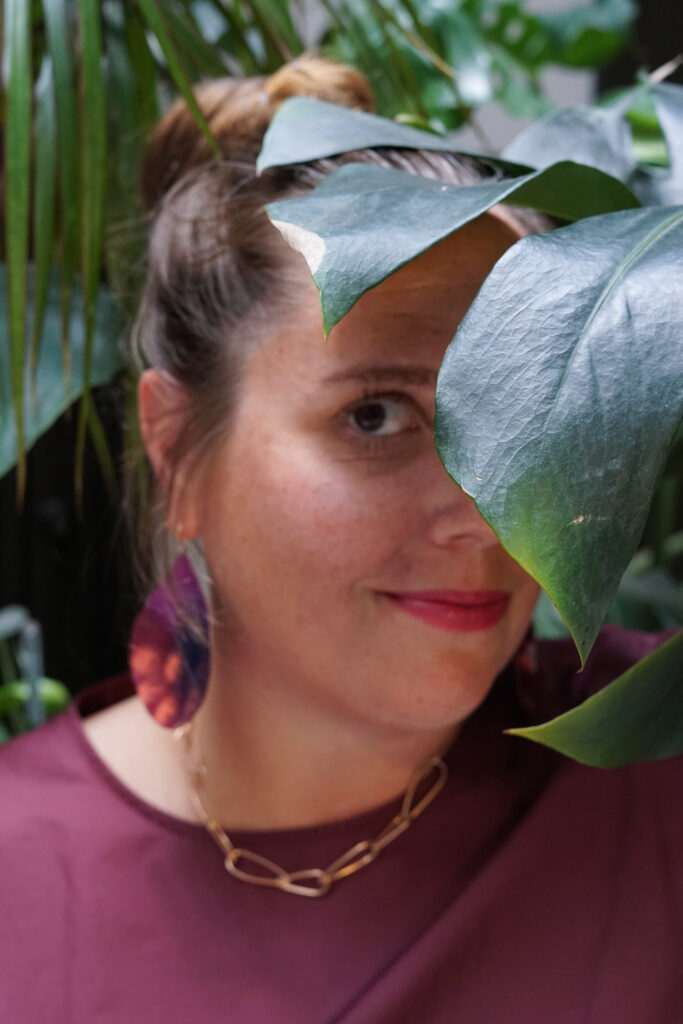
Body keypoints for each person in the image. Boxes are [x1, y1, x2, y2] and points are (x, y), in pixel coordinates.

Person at [1, 58, 681, 1024]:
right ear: (176, 455)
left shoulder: (650, 773)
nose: (484, 507)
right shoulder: (21, 880)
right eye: (374, 416)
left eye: (531, 411)